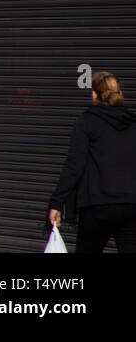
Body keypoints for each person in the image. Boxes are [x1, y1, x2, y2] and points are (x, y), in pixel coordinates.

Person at [49, 71, 136, 252]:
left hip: (96, 207)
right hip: (131, 205)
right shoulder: (132, 123)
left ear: (94, 94)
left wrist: (57, 202)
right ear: (120, 93)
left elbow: (74, 165)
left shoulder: (86, 123)